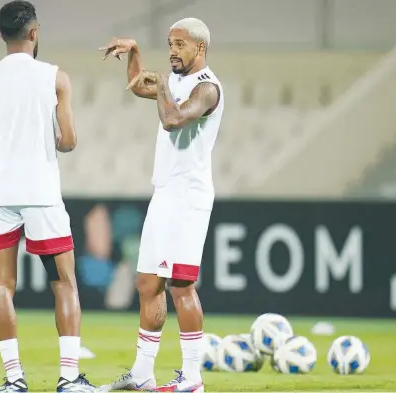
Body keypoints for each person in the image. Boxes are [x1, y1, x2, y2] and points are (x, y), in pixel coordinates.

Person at [0, 1, 95, 392]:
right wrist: (52, 141)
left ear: (2, 34)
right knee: (64, 284)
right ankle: (69, 379)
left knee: (2, 285)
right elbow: (69, 140)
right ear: (35, 32)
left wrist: (3, 171)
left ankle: (13, 380)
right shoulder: (55, 77)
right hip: (40, 194)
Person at [98, 17, 224, 393]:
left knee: (181, 286)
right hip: (165, 192)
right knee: (147, 283)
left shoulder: (208, 88)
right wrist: (135, 52)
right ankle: (142, 374)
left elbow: (172, 119)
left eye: (180, 44)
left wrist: (164, 85)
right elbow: (140, 87)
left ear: (199, 48)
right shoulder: (178, 82)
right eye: (170, 43)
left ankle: (192, 378)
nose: (172, 50)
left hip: (189, 196)